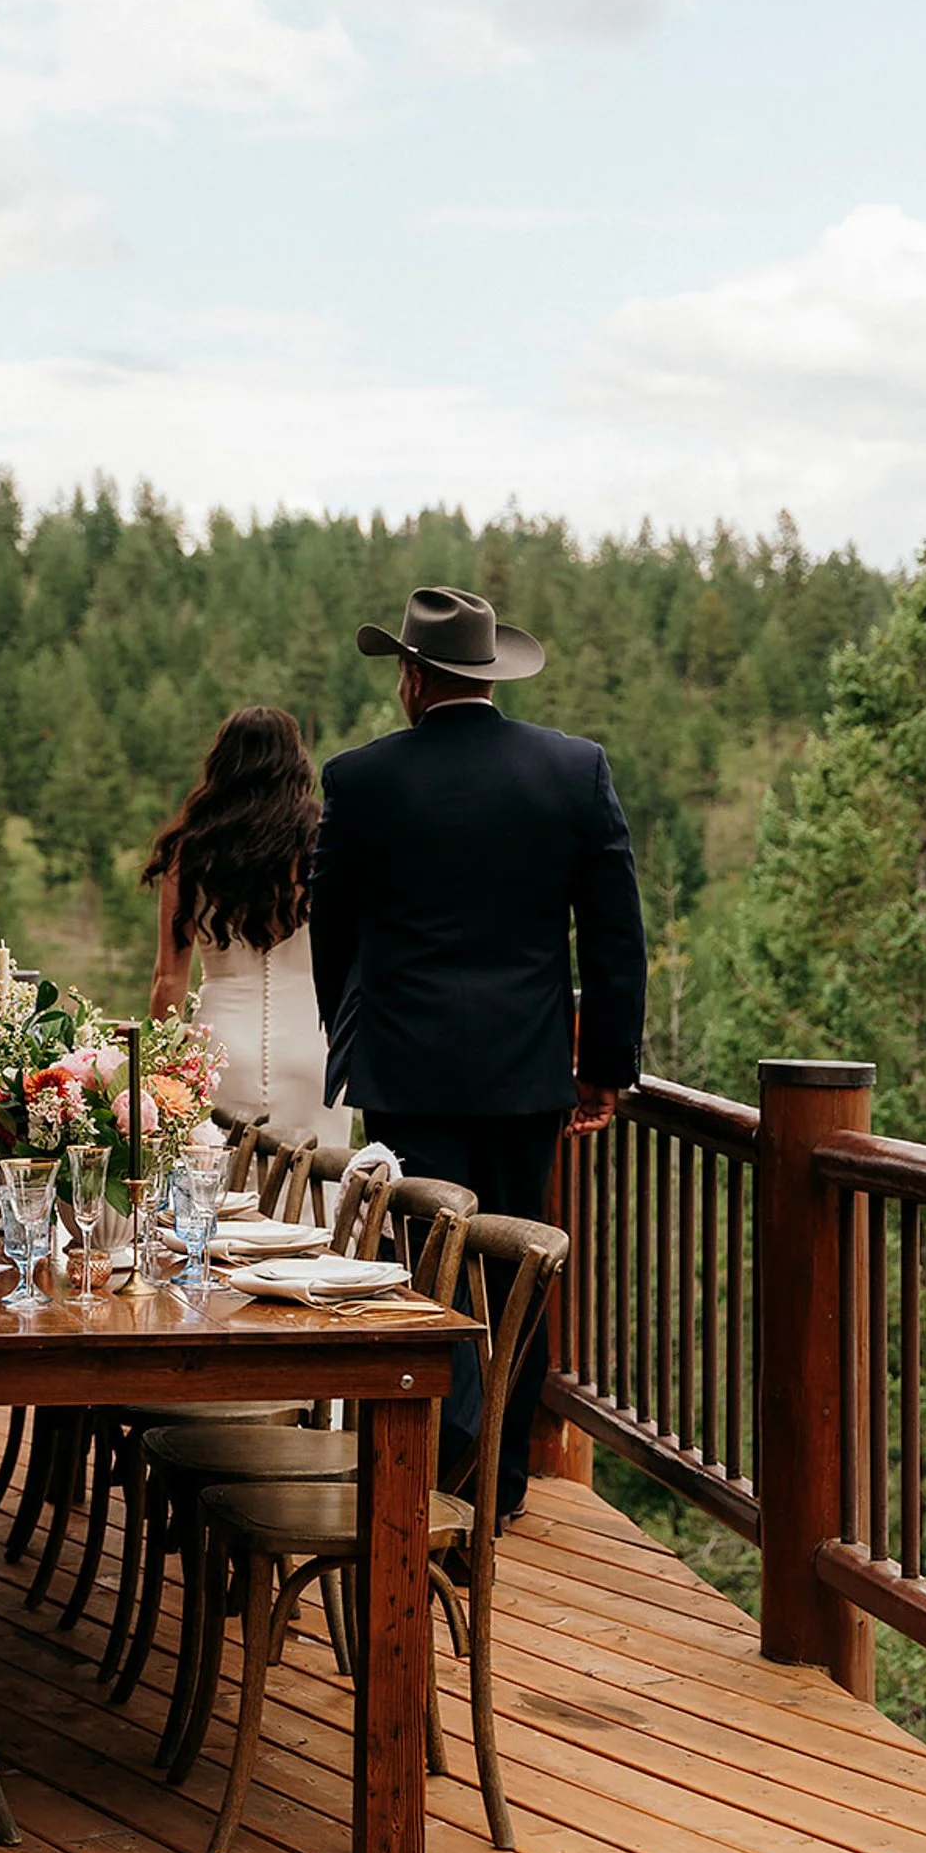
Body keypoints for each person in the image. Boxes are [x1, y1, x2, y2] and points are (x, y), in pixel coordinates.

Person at [309, 585, 647, 1516]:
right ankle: (495, 1483)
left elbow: (330, 933)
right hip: (525, 1075)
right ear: (487, 675)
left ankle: (435, 1467)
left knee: (427, 1263)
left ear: (412, 679)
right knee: (517, 1266)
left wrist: (353, 1034)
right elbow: (614, 935)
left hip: (408, 1075)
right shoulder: (572, 770)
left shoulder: (361, 779)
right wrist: (602, 1069)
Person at [146, 706, 352, 1147]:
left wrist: (156, 1073)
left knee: (218, 1199)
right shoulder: (325, 842)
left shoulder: (190, 850)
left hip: (219, 1051)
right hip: (313, 1049)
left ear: (221, 765)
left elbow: (169, 981)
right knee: (317, 1202)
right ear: (296, 764)